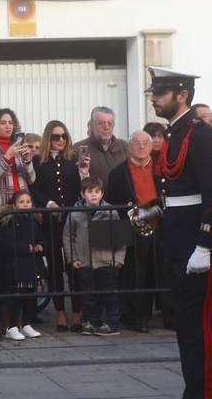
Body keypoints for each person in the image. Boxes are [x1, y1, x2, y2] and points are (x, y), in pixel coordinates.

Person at [144, 67, 212, 399]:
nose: (154, 97)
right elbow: (178, 188)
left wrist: (206, 244)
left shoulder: (201, 134)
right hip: (180, 240)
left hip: (199, 243)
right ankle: (194, 398)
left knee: (203, 326)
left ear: (182, 95)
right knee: (186, 325)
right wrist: (155, 209)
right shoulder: (176, 133)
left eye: (160, 92)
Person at [105, 131, 163, 332]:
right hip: (132, 230)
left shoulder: (161, 169)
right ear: (129, 147)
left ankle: (169, 314)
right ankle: (139, 317)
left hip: (160, 227)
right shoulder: (118, 173)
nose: (141, 146)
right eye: (136, 143)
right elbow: (113, 204)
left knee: (162, 272)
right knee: (134, 274)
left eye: (145, 143)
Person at [32, 120, 83, 333]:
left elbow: (82, 188)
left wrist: (85, 173)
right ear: (48, 138)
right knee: (54, 266)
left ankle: (78, 312)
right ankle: (60, 312)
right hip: (51, 220)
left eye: (64, 136)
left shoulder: (73, 160)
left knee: (75, 264)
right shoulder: (38, 162)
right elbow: (34, 188)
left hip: (72, 220)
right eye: (56, 137)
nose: (61, 140)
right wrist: (48, 203)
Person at [65, 177, 126, 336]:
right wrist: (73, 258)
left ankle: (112, 323)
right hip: (85, 260)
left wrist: (119, 259)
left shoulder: (111, 210)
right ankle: (90, 321)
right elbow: (68, 236)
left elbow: (119, 237)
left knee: (109, 292)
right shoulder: (75, 212)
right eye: (90, 192)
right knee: (88, 294)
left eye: (97, 192)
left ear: (102, 193)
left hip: (106, 260)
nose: (94, 195)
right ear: (82, 194)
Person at [0, 189, 46, 342]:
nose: (25, 205)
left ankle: (27, 323)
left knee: (31, 295)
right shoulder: (8, 221)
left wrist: (40, 245)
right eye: (22, 202)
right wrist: (26, 248)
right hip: (16, 264)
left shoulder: (36, 220)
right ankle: (12, 326)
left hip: (32, 263)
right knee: (16, 296)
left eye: (28, 202)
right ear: (14, 205)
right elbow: (7, 242)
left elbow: (42, 237)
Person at [73, 106, 129, 192]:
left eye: (110, 123)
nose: (106, 127)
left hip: (121, 203)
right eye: (101, 123)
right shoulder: (78, 149)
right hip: (94, 204)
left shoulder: (125, 147)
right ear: (91, 125)